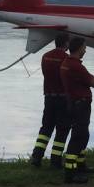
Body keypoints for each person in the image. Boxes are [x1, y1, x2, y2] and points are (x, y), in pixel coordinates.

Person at [60, 37, 94, 184]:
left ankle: (80, 164)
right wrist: (93, 79)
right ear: (79, 48)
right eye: (84, 47)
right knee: (78, 136)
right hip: (80, 104)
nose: (85, 50)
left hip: (74, 103)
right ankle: (70, 172)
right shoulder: (76, 66)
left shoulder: (66, 63)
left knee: (83, 135)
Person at [31, 32, 72, 169]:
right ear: (66, 43)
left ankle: (36, 156)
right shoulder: (66, 58)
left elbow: (45, 74)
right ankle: (55, 160)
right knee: (62, 129)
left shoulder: (45, 56)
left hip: (48, 97)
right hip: (63, 98)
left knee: (46, 127)